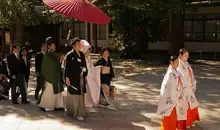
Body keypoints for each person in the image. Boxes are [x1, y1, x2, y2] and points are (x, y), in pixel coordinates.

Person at [157, 55, 188, 130]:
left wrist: (181, 93)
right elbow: (168, 88)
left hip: (176, 98)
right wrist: (176, 95)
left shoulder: (177, 72)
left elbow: (182, 83)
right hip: (171, 99)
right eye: (176, 62)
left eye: (178, 62)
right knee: (169, 117)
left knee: (173, 118)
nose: (177, 64)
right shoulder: (170, 73)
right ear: (171, 63)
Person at [37, 37, 65, 111]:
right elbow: (50, 66)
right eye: (52, 45)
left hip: (55, 76)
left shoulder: (52, 54)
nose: (54, 46)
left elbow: (56, 64)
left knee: (57, 92)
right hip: (50, 77)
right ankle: (42, 105)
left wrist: (60, 61)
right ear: (49, 46)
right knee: (49, 92)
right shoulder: (48, 54)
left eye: (54, 44)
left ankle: (57, 106)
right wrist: (60, 61)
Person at [65, 38, 88, 121]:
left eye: (79, 44)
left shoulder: (81, 54)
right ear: (74, 46)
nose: (79, 45)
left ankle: (80, 112)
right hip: (73, 78)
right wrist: (67, 78)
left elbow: (84, 64)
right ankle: (75, 113)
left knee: (81, 95)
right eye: (77, 44)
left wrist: (85, 70)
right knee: (74, 96)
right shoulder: (69, 55)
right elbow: (67, 68)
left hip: (81, 78)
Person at [177, 48, 200, 128]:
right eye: (185, 55)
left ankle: (190, 121)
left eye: (187, 55)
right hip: (183, 88)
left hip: (189, 87)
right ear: (180, 55)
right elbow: (180, 77)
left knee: (192, 105)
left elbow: (191, 75)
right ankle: (185, 123)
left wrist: (193, 83)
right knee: (184, 106)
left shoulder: (186, 64)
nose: (186, 57)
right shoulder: (178, 64)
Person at [80, 40, 101, 111]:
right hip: (86, 78)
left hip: (90, 77)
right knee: (86, 92)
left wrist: (98, 68)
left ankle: (89, 103)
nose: (89, 53)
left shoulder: (89, 59)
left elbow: (92, 68)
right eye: (88, 52)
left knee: (90, 91)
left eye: (89, 51)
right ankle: (85, 103)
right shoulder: (83, 60)